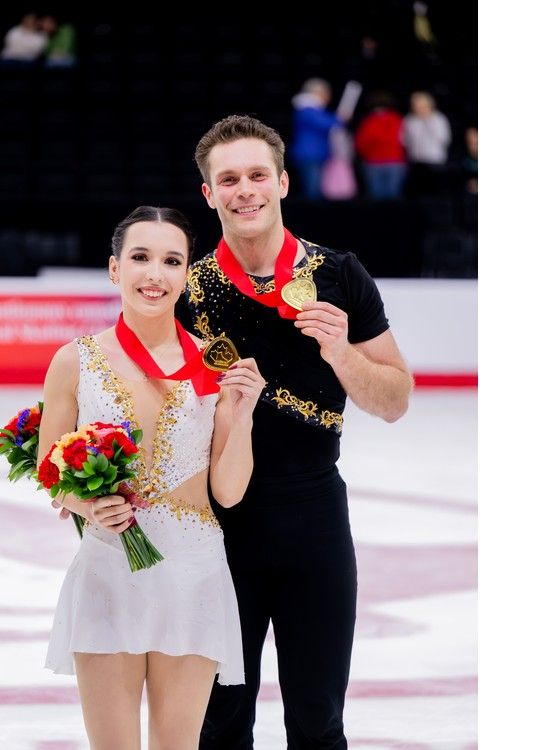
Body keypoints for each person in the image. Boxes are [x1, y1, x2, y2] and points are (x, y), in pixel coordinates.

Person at [181, 116, 414, 749]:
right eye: (228, 179)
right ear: (209, 193)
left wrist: (341, 353)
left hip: (314, 514)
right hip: (219, 523)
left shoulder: (340, 275)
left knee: (318, 718)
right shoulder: (186, 294)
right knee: (219, 722)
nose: (244, 190)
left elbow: (394, 401)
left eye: (257, 174)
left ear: (283, 181)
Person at [39, 206, 266, 748]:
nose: (154, 274)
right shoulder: (74, 360)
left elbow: (229, 492)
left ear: (187, 274)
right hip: (109, 567)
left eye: (171, 261)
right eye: (140, 258)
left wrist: (245, 413)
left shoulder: (213, 364)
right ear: (115, 269)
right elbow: (51, 469)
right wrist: (88, 504)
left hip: (193, 572)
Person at [289, 78, 346, 201]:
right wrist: (341, 118)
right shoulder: (306, 109)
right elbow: (324, 123)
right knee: (312, 190)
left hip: (315, 154)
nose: (328, 97)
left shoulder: (311, 109)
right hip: (309, 154)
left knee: (315, 188)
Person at [354, 91, 409, 200]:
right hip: (385, 162)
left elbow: (360, 143)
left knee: (384, 197)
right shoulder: (396, 120)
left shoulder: (371, 121)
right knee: (386, 196)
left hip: (385, 162)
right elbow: (360, 143)